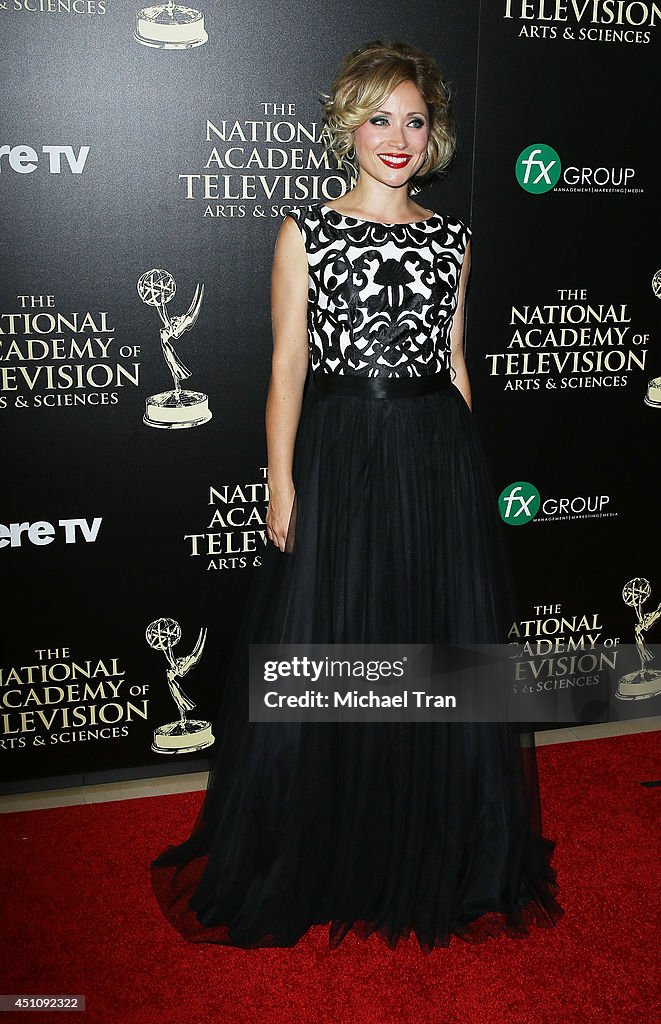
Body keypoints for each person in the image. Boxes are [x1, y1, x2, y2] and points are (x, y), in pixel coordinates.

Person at [150, 39, 564, 953]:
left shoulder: (452, 237)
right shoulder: (306, 229)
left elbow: (456, 366)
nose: (397, 136)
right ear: (348, 124)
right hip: (342, 453)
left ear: (434, 135)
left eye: (414, 120)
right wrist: (279, 480)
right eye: (380, 117)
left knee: (432, 655)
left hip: (434, 456)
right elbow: (288, 366)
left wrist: (467, 474)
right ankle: (333, 850)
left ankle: (439, 846)